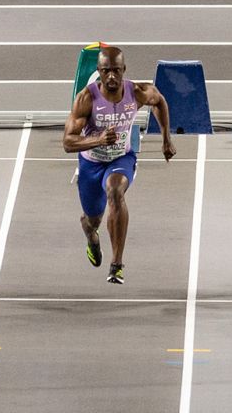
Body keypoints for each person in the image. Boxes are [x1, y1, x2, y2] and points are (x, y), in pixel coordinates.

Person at [63, 47, 175, 284]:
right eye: (106, 71)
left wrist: (166, 139)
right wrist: (98, 139)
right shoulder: (86, 99)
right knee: (92, 220)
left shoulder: (137, 92)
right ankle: (92, 237)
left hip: (121, 158)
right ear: (99, 73)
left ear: (124, 70)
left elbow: (160, 102)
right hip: (91, 164)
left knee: (115, 191)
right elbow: (68, 142)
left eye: (116, 71)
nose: (112, 76)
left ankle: (116, 265)